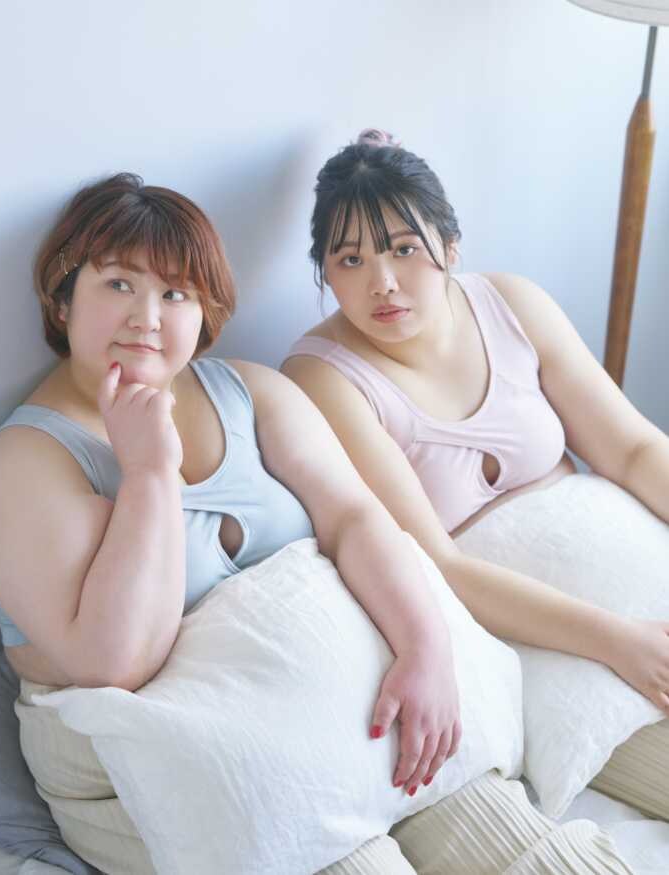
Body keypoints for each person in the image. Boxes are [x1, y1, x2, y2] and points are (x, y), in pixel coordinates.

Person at [0, 173, 632, 875]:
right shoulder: (25, 463)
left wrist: (424, 646)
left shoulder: (252, 391)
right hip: (173, 763)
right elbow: (115, 663)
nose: (148, 317)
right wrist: (150, 474)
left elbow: (356, 519)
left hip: (331, 723)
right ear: (63, 296)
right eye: (118, 284)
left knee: (517, 842)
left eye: (176, 293)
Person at [282, 128, 669, 723]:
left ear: (451, 244)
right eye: (351, 260)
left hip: (639, 584)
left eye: (404, 249)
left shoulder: (511, 303)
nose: (382, 283)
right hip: (547, 644)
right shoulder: (323, 378)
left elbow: (633, 449)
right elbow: (437, 564)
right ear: (326, 274)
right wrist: (620, 642)